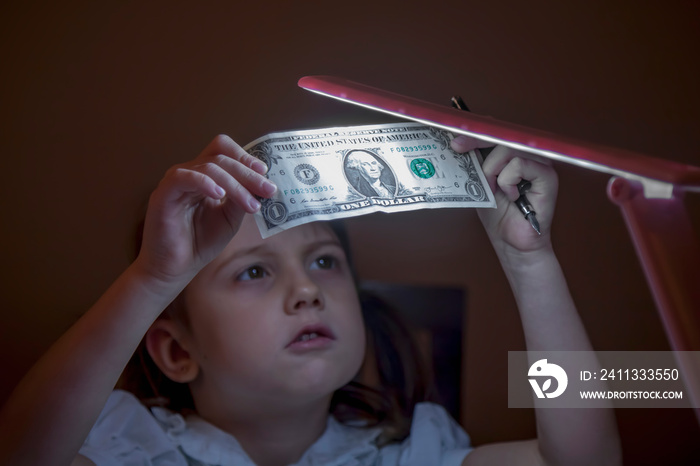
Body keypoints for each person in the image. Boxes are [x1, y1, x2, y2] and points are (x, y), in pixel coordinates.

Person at [0, 133, 622, 465]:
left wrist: (528, 260)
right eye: (252, 273)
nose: (306, 291)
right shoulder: (127, 448)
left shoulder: (411, 455)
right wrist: (152, 281)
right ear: (175, 350)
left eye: (325, 262)